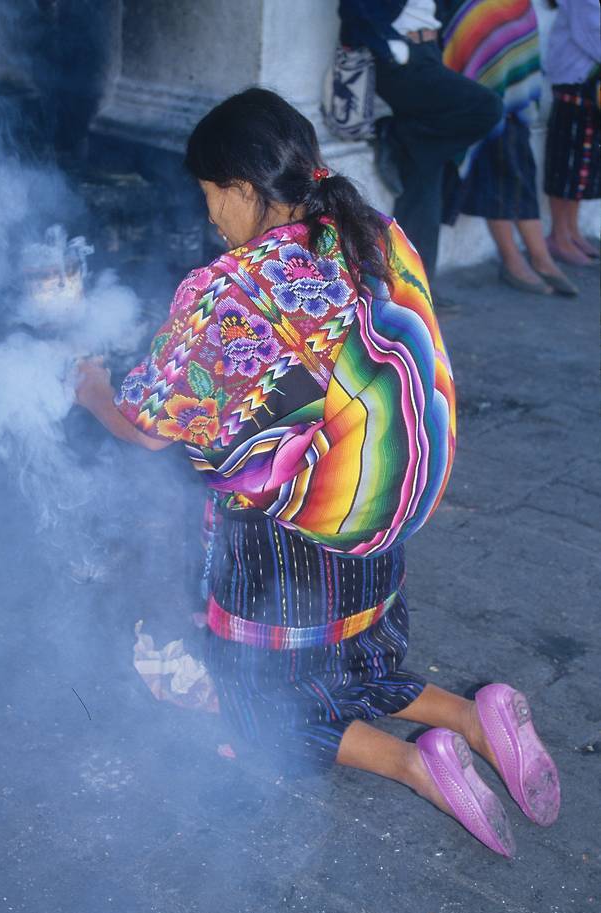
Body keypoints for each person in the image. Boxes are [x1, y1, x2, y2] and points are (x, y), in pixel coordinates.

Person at [75, 88, 560, 857]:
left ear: (241, 188)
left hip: (306, 538)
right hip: (391, 518)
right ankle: (477, 716)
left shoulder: (229, 291)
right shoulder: (375, 233)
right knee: (352, 662)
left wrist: (93, 389)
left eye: (211, 198)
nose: (210, 219)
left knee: (256, 707)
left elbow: (145, 432)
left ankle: (417, 763)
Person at [337, 0, 503, 300]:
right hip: (401, 60)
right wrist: (387, 47)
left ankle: (413, 288)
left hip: (428, 53)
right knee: (486, 107)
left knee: (425, 172)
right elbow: (355, 9)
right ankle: (400, 134)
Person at [441, 0, 578, 296]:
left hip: (512, 95)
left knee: (516, 168)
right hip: (481, 92)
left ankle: (533, 257)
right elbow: (467, 26)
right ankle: (522, 259)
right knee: (503, 168)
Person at [543, 0, 600, 266]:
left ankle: (572, 230)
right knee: (567, 161)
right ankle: (559, 235)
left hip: (587, 85)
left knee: (583, 163)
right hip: (574, 81)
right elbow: (592, 34)